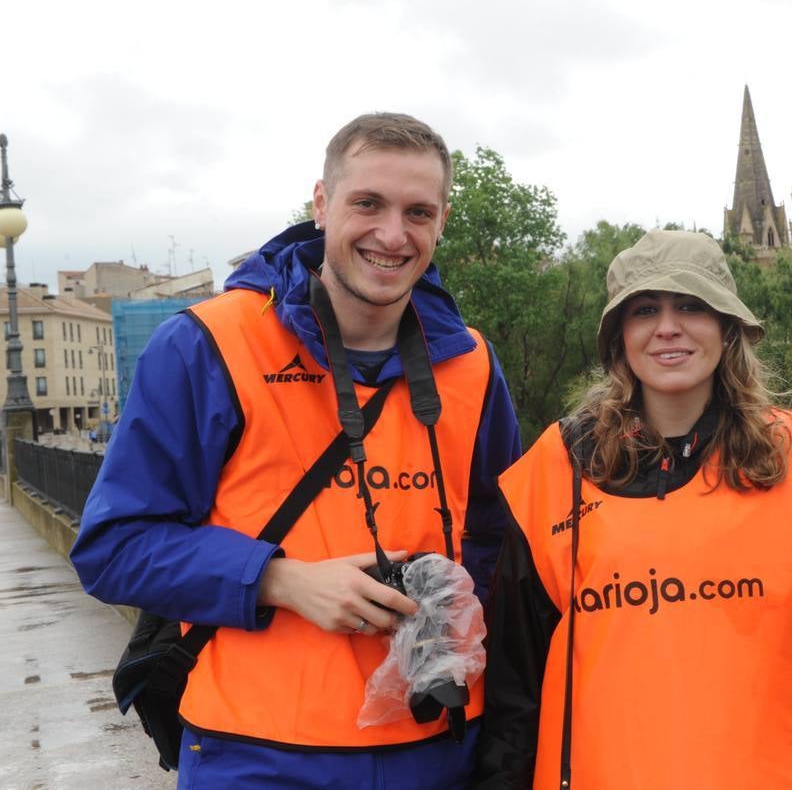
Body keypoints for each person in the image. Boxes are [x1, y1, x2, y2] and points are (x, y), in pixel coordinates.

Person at [72, 112, 521, 788]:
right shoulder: (208, 344)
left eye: (418, 212)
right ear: (321, 203)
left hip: (440, 746)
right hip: (258, 754)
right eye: (367, 203)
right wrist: (281, 580)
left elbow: (498, 544)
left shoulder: (472, 364)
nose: (392, 234)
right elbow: (113, 548)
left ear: (442, 220)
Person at [471, 230, 792, 789]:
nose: (668, 326)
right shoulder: (561, 465)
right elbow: (513, 684)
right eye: (645, 309)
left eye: (692, 306)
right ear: (619, 338)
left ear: (726, 328)